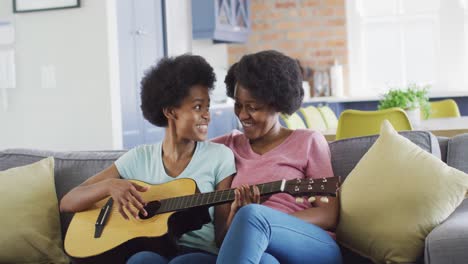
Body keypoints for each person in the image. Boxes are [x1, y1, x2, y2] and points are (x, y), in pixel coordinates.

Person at [59, 54, 236, 264]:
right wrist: (109, 186)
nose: (207, 115)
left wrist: (237, 210)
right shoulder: (138, 158)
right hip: (152, 249)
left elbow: (221, 237)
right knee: (141, 260)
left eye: (207, 107)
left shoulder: (220, 156)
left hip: (199, 253)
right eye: (198, 107)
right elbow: (68, 202)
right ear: (171, 111)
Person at [211, 50, 342, 264]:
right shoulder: (225, 147)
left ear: (277, 104)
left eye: (252, 107)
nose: (243, 115)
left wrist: (264, 224)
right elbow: (175, 155)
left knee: (251, 216)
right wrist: (134, 185)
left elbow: (328, 215)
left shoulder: (308, 141)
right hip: (256, 247)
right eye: (238, 105)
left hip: (312, 244)